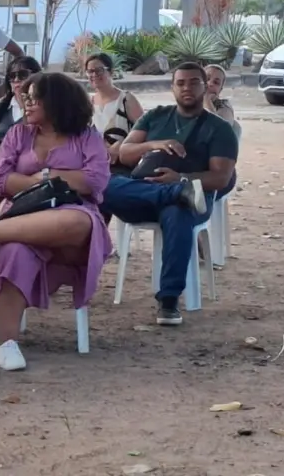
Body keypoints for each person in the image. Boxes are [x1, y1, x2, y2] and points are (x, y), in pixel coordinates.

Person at [0, 73, 111, 372]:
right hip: (22, 216)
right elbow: (0, 180)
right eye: (26, 97)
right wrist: (55, 182)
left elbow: (95, 179)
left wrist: (43, 178)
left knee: (77, 222)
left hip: (71, 220)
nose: (27, 102)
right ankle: (8, 344)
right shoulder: (17, 135)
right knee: (13, 252)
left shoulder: (87, 136)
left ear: (57, 102)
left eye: (35, 97)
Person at [101, 62, 237, 326]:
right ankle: (176, 192)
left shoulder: (219, 129)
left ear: (204, 85)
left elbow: (220, 178)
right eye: (181, 82)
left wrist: (182, 179)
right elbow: (124, 152)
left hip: (193, 198)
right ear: (172, 87)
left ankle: (169, 300)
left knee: (178, 214)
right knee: (102, 185)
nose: (187, 88)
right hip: (144, 191)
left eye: (194, 82)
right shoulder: (155, 116)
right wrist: (155, 144)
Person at [86, 53, 144, 174]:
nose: (94, 75)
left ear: (111, 72)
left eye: (99, 70)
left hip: (123, 166)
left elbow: (146, 129)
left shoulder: (126, 99)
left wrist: (123, 144)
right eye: (90, 71)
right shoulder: (88, 103)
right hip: (96, 166)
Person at [0, 55, 42, 144]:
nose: (16, 80)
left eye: (23, 75)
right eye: (12, 76)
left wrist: (22, 104)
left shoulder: (43, 107)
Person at [204, 64, 239, 135]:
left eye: (216, 82)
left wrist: (206, 100)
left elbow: (216, 132)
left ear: (220, 90)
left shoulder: (224, 108)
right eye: (207, 79)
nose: (210, 83)